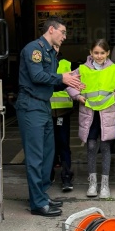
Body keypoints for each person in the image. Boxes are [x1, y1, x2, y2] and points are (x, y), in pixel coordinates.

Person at [15, 16, 83, 218]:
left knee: (47, 154)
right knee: (35, 156)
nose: (64, 36)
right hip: (30, 105)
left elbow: (50, 82)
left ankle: (41, 196)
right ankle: (37, 203)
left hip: (43, 104)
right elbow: (37, 76)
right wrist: (62, 77)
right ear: (51, 30)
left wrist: (69, 81)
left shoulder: (51, 53)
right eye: (62, 32)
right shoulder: (34, 50)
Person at [66, 39, 115, 199]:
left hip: (107, 114)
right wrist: (78, 96)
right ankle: (92, 183)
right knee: (91, 146)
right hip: (90, 115)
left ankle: (105, 185)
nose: (99, 56)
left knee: (105, 147)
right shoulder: (82, 69)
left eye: (102, 53)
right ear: (91, 53)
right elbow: (68, 84)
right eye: (96, 53)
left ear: (108, 53)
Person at [50, 44, 74, 192]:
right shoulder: (42, 63)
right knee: (50, 145)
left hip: (63, 111)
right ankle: (49, 174)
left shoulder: (66, 63)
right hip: (46, 111)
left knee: (64, 144)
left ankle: (66, 176)